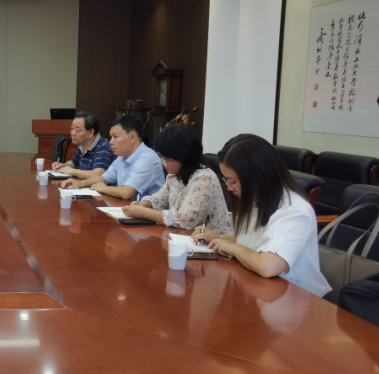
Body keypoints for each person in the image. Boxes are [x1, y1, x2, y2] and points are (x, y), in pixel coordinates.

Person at [193, 134, 330, 297]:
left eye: (233, 181)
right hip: (260, 289)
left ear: (256, 176)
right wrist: (218, 238)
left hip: (294, 298)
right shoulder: (258, 198)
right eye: (226, 181)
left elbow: (268, 266)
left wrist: (233, 247)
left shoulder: (294, 211)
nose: (229, 188)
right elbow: (254, 240)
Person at [121, 124, 233, 233]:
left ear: (184, 156)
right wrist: (144, 204)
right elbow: (159, 199)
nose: (162, 163)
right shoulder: (174, 175)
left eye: (166, 159)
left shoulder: (204, 179)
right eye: (161, 157)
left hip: (212, 242)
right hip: (183, 237)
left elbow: (184, 220)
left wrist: (144, 212)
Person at [59, 115, 164, 200]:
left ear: (132, 137)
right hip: (127, 209)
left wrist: (104, 189)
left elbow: (126, 192)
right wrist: (79, 183)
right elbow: (104, 178)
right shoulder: (122, 157)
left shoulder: (147, 159)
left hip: (148, 215)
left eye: (115, 137)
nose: (111, 142)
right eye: (111, 137)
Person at [52, 111, 114, 178]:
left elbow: (97, 175)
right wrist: (63, 166)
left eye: (77, 130)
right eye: (72, 128)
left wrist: (72, 171)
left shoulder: (104, 147)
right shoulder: (82, 145)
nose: (73, 133)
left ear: (90, 132)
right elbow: (74, 163)